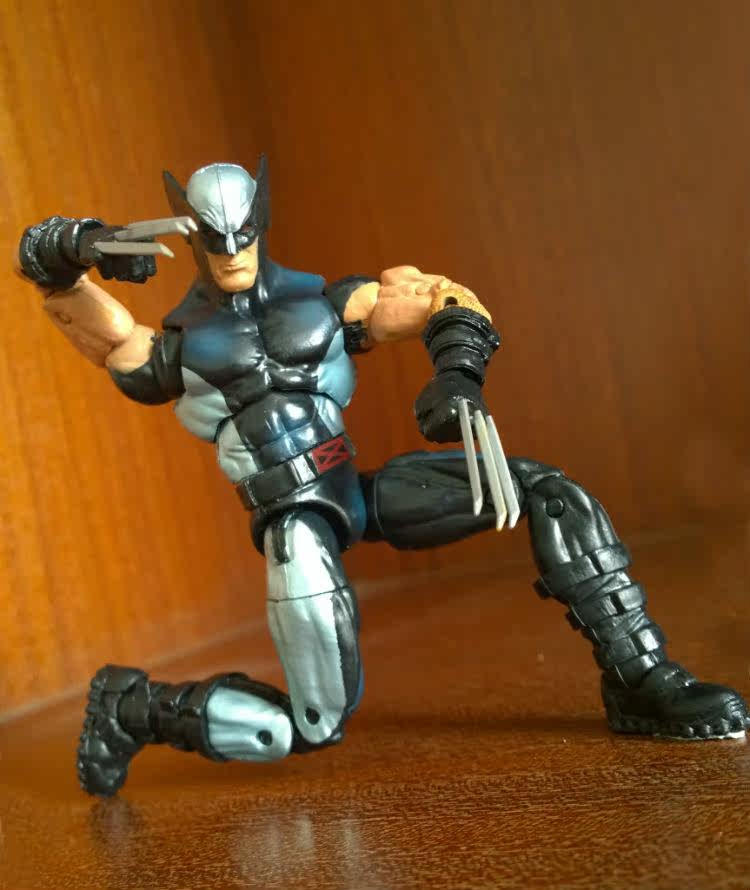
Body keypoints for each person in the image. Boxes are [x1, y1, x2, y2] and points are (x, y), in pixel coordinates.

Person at [19, 158, 748, 798]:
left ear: (260, 219)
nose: (232, 249)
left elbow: (441, 295)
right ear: (193, 232)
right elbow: (105, 336)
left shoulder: (320, 305)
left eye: (242, 232)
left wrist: (458, 371)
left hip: (354, 491)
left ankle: (639, 678)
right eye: (216, 236)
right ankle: (134, 707)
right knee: (309, 725)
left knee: (548, 491)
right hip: (294, 519)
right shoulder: (181, 345)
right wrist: (61, 254)